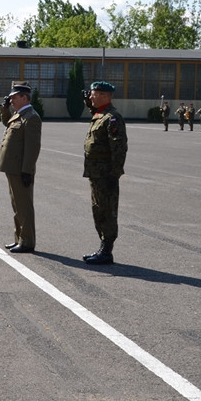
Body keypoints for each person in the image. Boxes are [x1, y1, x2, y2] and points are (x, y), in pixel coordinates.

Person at [82, 81, 128, 265]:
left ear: (105, 96)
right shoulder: (100, 115)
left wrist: (113, 174)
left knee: (107, 211)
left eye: (94, 94)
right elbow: (95, 114)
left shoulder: (113, 118)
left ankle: (106, 250)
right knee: (98, 209)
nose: (91, 96)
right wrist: (88, 102)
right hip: (96, 173)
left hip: (106, 175)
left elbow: (119, 149)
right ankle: (103, 246)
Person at [0, 81, 41, 254]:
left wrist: (27, 171)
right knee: (17, 206)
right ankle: (19, 238)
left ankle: (27, 242)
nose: (11, 99)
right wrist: (5, 108)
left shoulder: (31, 117)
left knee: (24, 207)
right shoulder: (19, 115)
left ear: (24, 97)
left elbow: (32, 147)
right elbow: (7, 122)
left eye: (14, 97)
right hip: (13, 168)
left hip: (21, 170)